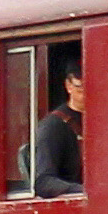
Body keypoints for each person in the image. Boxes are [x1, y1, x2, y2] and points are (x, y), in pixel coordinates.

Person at [29, 52, 86, 195]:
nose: (87, 93)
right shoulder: (53, 125)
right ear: (68, 86)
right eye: (81, 88)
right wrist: (84, 192)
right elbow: (44, 182)